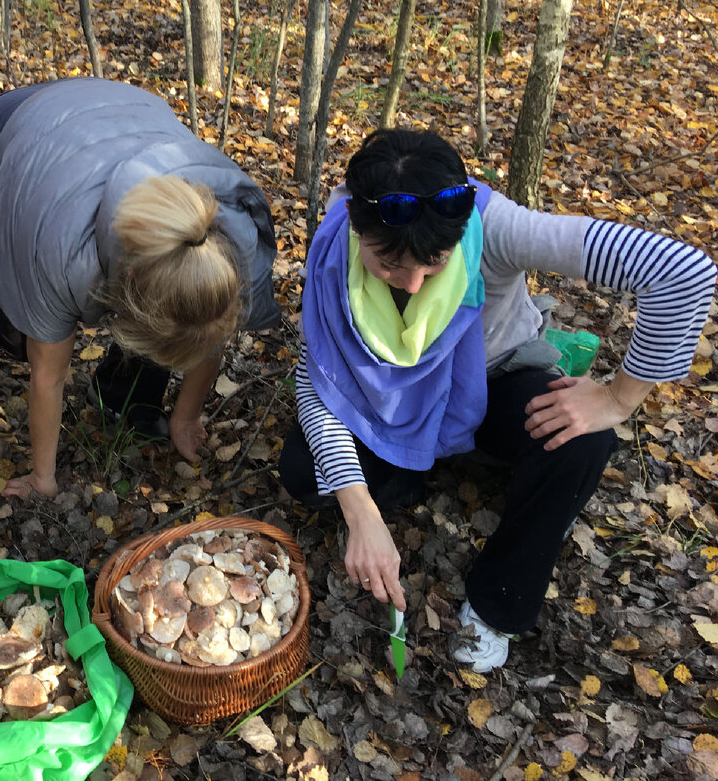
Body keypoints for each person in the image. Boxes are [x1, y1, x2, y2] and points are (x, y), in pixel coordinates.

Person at [279, 128, 715, 671]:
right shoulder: (333, 245)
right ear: (355, 226)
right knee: (304, 472)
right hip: (381, 400)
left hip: (493, 384)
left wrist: (618, 399)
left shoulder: (500, 226)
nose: (412, 284)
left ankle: (497, 605)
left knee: (584, 442)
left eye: (433, 262)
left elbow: (684, 273)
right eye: (389, 264)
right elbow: (316, 382)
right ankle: (410, 471)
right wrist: (360, 510)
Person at [0, 78, 279, 498]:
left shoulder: (225, 242)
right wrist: (42, 478)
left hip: (116, 116)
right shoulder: (56, 251)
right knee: (19, 331)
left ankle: (120, 395)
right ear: (129, 277)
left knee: (175, 318)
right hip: (13, 136)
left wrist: (185, 417)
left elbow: (207, 328)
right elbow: (49, 373)